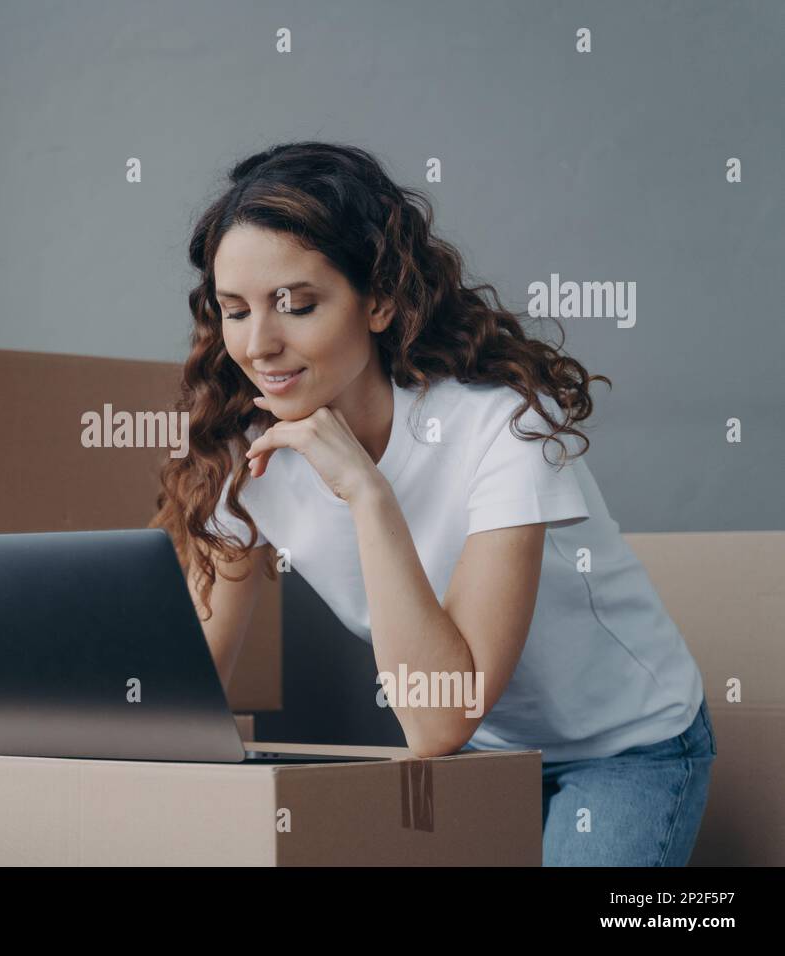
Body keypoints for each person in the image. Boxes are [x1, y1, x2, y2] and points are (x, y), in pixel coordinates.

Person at [150, 141, 715, 866]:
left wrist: (366, 492)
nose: (259, 344)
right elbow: (185, 690)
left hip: (622, 749)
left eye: (297, 305)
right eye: (235, 311)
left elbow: (438, 716)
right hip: (478, 753)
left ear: (379, 299)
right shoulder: (244, 455)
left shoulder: (502, 424)